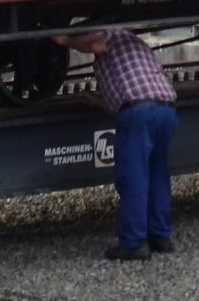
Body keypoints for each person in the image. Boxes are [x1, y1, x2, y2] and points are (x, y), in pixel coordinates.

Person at [54, 29, 178, 261]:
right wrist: (97, 102)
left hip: (140, 113)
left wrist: (65, 40)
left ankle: (133, 243)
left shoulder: (109, 34)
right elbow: (127, 99)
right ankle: (160, 237)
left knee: (133, 177)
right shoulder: (137, 43)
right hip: (166, 110)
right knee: (157, 174)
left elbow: (96, 44)